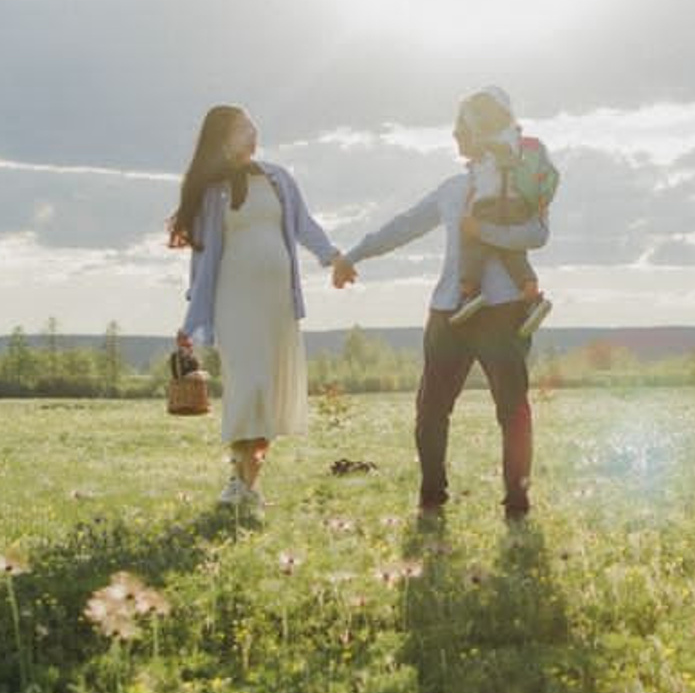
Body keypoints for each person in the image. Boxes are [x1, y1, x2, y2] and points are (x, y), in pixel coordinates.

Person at [333, 87, 553, 521]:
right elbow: (404, 226)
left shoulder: (518, 188)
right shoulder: (453, 189)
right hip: (449, 311)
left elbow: (537, 236)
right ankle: (432, 498)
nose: (453, 137)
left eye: (459, 129)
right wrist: (353, 255)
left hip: (502, 311)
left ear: (476, 131)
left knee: (512, 409)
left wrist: (480, 231)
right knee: (431, 408)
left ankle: (517, 503)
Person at [169, 105, 345, 509]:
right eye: (241, 128)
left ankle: (246, 485)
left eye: (252, 126)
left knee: (266, 393)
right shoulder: (212, 192)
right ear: (222, 139)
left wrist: (332, 257)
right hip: (235, 300)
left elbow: (304, 225)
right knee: (249, 386)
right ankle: (238, 481)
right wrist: (192, 317)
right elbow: (203, 260)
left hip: (276, 304)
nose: (252, 133)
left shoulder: (278, 178)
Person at [452, 87, 556, 337]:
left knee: (470, 240)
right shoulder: (523, 142)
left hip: (489, 205)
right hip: (519, 206)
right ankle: (531, 296)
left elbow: (473, 156)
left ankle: (469, 292)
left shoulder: (487, 143)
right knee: (513, 251)